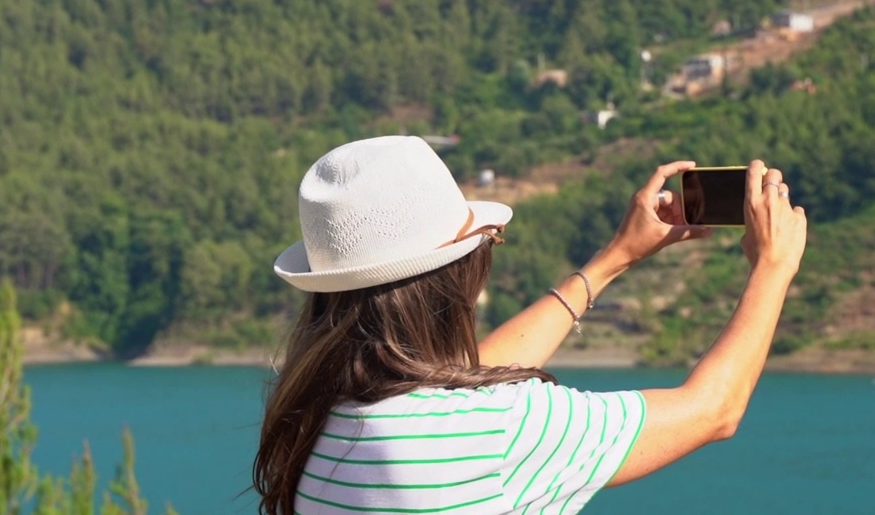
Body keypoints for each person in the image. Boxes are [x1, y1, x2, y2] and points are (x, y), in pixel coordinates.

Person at [254, 135, 807, 514]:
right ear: (457, 273)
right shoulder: (491, 427)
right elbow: (714, 411)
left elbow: (463, 376)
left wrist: (614, 259)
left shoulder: (321, 409)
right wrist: (774, 267)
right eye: (487, 242)